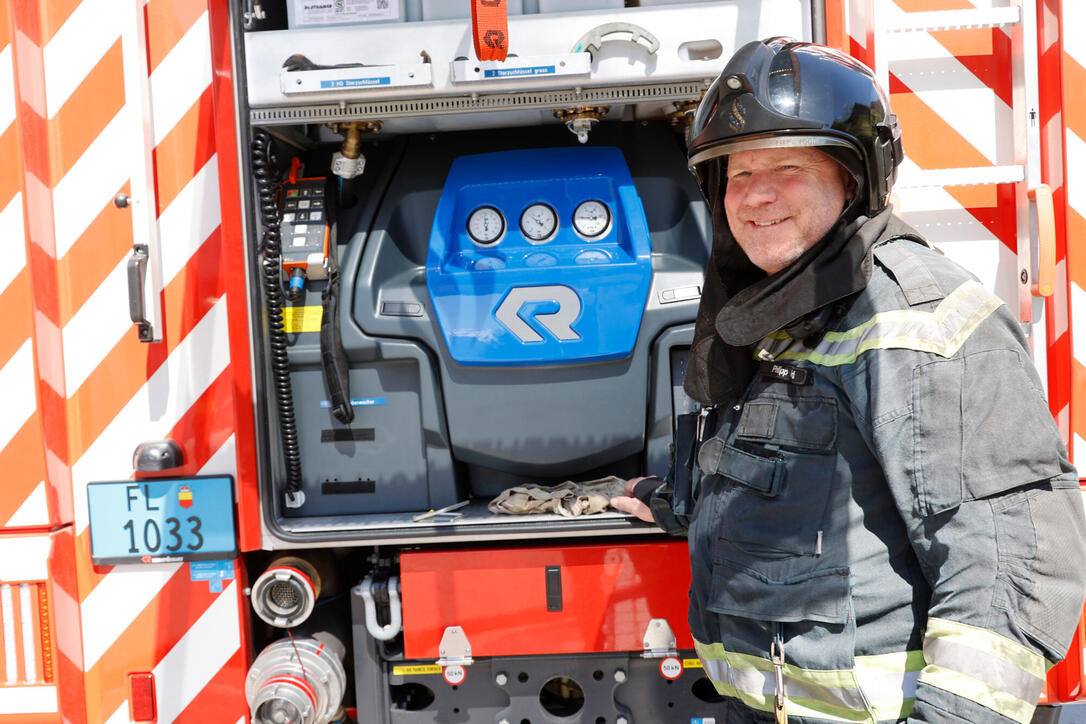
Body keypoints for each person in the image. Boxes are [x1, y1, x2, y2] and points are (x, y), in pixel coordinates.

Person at [610, 37, 1086, 724]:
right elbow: (811, 490)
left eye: (787, 167)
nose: (757, 195)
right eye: (737, 175)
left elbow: (1006, 558)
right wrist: (671, 500)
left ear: (853, 179)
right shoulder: (781, 313)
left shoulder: (915, 319)